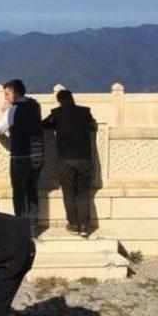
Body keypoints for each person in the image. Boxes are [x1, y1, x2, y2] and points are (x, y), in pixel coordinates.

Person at [0, 79, 44, 235]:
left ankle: (22, 227)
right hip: (39, 156)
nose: (5, 98)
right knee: (32, 190)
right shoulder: (35, 105)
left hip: (21, 157)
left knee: (19, 192)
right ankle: (33, 227)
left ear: (15, 93)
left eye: (7, 94)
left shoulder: (14, 109)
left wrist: (4, 112)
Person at [43, 88, 98, 237]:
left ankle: (73, 224)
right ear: (72, 98)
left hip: (65, 159)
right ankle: (84, 226)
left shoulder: (56, 113)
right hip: (84, 159)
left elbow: (44, 124)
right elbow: (93, 127)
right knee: (83, 193)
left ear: (59, 101)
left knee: (69, 192)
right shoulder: (85, 112)